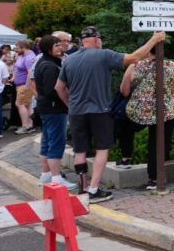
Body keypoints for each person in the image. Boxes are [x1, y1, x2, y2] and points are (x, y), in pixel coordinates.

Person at [55, 27, 165, 203]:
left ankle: (83, 189)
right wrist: (154, 40)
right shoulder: (104, 55)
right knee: (102, 149)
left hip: (76, 112)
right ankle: (93, 189)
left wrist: (70, 105)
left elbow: (59, 88)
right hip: (100, 111)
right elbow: (134, 58)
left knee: (80, 150)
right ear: (97, 40)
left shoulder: (69, 60)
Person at [119, 53, 174, 190]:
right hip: (166, 111)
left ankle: (126, 157)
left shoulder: (134, 66)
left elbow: (124, 91)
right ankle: (154, 179)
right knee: (158, 144)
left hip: (139, 111)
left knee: (125, 127)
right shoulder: (169, 65)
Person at [31, 36, 76, 190]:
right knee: (56, 142)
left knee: (47, 142)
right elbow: (53, 91)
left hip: (46, 108)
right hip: (54, 108)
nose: (60, 47)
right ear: (48, 48)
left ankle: (46, 175)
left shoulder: (44, 62)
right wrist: (67, 101)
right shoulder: (49, 66)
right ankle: (56, 178)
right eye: (56, 45)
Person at [11, 40, 38, 133]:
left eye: (17, 48)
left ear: (23, 47)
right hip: (21, 84)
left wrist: (27, 85)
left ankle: (25, 126)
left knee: (20, 104)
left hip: (24, 85)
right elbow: (17, 68)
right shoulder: (22, 56)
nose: (15, 50)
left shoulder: (29, 57)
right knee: (28, 105)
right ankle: (30, 125)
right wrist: (14, 77)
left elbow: (30, 72)